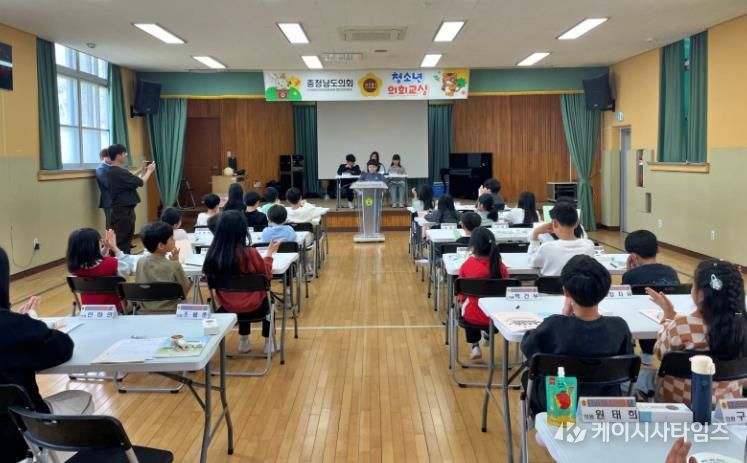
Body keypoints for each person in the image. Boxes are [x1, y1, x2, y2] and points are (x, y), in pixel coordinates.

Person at [0, 247, 94, 463]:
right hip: (18, 433)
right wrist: (30, 323)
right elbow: (62, 347)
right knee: (83, 399)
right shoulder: (14, 327)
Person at [521, 255, 633, 413]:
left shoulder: (554, 325)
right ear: (607, 291)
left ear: (565, 291)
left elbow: (528, 348)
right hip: (605, 401)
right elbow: (626, 359)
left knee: (527, 376)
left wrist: (564, 316)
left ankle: (541, 421)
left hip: (560, 404)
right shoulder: (619, 326)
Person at [650, 260, 747, 406]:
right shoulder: (742, 327)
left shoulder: (681, 325)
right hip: (726, 405)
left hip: (679, 402)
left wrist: (668, 317)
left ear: (701, 294)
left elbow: (659, 351)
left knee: (645, 377)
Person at [203, 210, 281, 353]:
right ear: (242, 230)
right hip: (256, 308)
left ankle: (244, 340)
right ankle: (268, 343)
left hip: (226, 308)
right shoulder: (250, 253)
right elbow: (267, 274)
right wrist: (269, 255)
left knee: (240, 294)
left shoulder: (213, 254)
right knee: (263, 298)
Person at [622, 229, 680, 376]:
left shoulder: (631, 276)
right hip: (670, 323)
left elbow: (625, 298)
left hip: (640, 324)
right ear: (657, 249)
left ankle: (644, 358)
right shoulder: (671, 272)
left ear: (633, 256)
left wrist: (629, 272)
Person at [458, 227, 510, 360]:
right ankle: (488, 335)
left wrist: (462, 301)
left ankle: (475, 346)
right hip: (497, 317)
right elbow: (507, 288)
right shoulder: (500, 266)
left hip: (472, 316)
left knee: (467, 308)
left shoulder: (467, 265)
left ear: (472, 247)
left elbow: (462, 294)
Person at [66, 228, 134, 312]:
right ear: (94, 245)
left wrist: (105, 249)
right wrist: (114, 248)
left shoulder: (75, 269)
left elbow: (93, 262)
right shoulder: (113, 264)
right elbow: (129, 268)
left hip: (89, 310)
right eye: (100, 241)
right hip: (116, 310)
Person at [107, 144, 155, 253]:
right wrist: (149, 171)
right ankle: (120, 260)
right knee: (123, 238)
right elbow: (141, 182)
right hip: (124, 211)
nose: (125, 156)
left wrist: (141, 169)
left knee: (124, 237)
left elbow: (130, 177)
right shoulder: (119, 172)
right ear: (118, 156)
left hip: (121, 209)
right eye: (124, 154)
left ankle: (121, 258)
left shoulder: (113, 171)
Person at [134, 222, 191, 314]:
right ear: (161, 246)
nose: (174, 240)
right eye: (171, 238)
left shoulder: (141, 262)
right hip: (172, 312)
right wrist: (176, 262)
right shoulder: (174, 265)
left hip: (145, 312)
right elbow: (185, 288)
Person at [528, 203, 595, 276]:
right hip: (578, 283)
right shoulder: (589, 245)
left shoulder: (546, 247)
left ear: (555, 223)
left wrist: (535, 233)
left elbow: (533, 262)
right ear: (577, 223)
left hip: (551, 284)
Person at [95, 148, 113, 227]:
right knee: (110, 223)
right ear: (103, 158)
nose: (112, 158)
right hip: (108, 200)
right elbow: (107, 184)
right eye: (109, 156)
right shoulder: (101, 169)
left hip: (116, 199)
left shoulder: (113, 167)